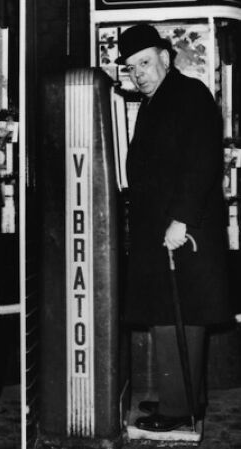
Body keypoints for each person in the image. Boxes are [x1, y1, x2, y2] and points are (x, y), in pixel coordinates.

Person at [116, 23, 231, 432]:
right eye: (131, 68)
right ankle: (180, 399)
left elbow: (201, 162)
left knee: (180, 317)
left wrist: (181, 219)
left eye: (144, 63)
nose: (138, 73)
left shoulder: (189, 94)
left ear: (165, 58)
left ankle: (180, 410)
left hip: (183, 231)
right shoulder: (158, 100)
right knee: (168, 316)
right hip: (162, 230)